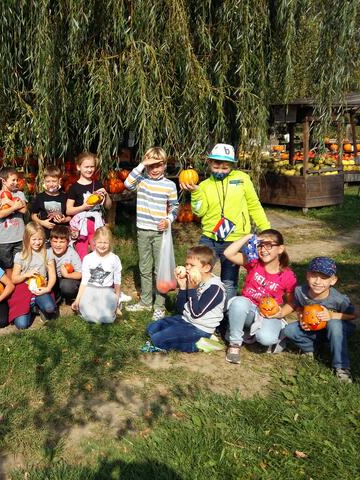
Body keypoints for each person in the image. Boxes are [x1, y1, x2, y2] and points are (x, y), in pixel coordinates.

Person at [180, 143, 270, 303]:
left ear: (232, 165)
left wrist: (267, 230)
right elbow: (199, 212)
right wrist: (195, 193)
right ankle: (195, 307)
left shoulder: (242, 179)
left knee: (228, 281)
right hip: (209, 238)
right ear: (209, 163)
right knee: (197, 274)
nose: (220, 171)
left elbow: (254, 205)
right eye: (216, 167)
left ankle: (225, 317)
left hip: (235, 240)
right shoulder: (204, 185)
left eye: (225, 168)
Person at [223, 229, 297, 364]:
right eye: (260, 245)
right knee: (239, 303)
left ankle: (246, 329)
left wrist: (280, 314)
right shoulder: (254, 262)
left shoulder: (287, 276)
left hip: (268, 314)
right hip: (249, 309)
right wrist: (248, 236)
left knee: (266, 339)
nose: (263, 249)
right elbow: (228, 253)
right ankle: (235, 344)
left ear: (280, 249)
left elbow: (292, 303)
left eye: (268, 245)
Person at [123, 147, 179, 319]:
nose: (154, 169)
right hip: (142, 231)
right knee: (145, 268)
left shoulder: (169, 185)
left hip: (159, 233)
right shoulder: (141, 181)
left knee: (159, 270)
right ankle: (146, 302)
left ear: (164, 165)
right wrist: (141, 164)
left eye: (158, 165)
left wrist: (168, 220)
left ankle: (159, 305)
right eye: (151, 165)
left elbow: (175, 207)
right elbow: (127, 183)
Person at [283, 257, 357, 383]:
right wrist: (302, 318)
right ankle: (312, 348)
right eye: (314, 276)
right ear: (307, 275)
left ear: (333, 281)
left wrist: (333, 315)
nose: (317, 281)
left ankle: (341, 367)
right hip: (315, 329)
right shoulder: (300, 292)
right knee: (289, 330)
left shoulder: (338, 299)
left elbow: (354, 314)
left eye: (324, 278)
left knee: (334, 325)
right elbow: (299, 307)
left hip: (338, 330)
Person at [143, 246, 225, 353]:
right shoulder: (194, 280)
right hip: (185, 319)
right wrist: (182, 287)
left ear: (206, 268)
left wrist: (191, 288)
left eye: (192, 265)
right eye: (187, 264)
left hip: (200, 328)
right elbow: (180, 309)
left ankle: (200, 344)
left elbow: (196, 313)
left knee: (158, 340)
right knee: (151, 329)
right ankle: (183, 336)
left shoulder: (215, 289)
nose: (187, 268)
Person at [8, 222, 58, 329]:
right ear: (27, 239)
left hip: (41, 287)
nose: (37, 242)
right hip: (24, 287)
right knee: (22, 325)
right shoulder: (20, 256)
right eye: (34, 239)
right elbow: (14, 279)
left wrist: (48, 289)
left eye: (40, 239)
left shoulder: (48, 253)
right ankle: (30, 307)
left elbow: (52, 275)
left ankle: (38, 306)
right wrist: (27, 274)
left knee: (50, 308)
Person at [72, 225, 122, 324]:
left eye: (105, 243)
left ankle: (116, 307)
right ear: (94, 242)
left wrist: (117, 301)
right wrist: (77, 300)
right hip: (90, 290)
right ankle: (87, 306)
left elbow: (117, 282)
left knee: (105, 318)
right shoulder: (88, 258)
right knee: (90, 317)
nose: (102, 245)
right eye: (99, 242)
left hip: (107, 291)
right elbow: (84, 281)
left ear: (110, 243)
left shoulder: (114, 259)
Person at [66, 152, 111, 259]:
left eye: (92, 167)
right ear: (78, 167)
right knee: (82, 254)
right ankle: (83, 274)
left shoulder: (98, 184)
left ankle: (99, 272)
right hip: (81, 226)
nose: (89, 170)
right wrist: (84, 207)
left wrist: (106, 194)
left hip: (96, 224)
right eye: (86, 167)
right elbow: (68, 210)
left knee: (99, 251)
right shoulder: (74, 188)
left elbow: (108, 206)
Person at [0, 167, 27, 277]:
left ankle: (18, 287)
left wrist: (9, 202)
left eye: (17, 180)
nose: (16, 182)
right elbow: (0, 214)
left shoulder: (19, 194)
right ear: (4, 181)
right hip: (5, 239)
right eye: (13, 180)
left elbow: (24, 210)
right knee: (7, 265)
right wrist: (15, 207)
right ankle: (10, 286)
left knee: (19, 264)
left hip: (20, 237)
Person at [30, 165, 71, 239]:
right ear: (44, 181)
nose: (51, 184)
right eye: (48, 181)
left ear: (59, 180)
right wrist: (42, 222)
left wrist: (64, 220)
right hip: (45, 235)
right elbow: (33, 215)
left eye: (54, 181)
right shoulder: (40, 197)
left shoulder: (65, 197)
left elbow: (70, 216)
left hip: (62, 235)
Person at [46, 225, 82, 304]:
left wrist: (66, 275)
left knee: (66, 286)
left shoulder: (71, 253)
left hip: (66, 280)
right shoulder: (47, 252)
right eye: (55, 241)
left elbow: (80, 273)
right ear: (50, 241)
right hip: (52, 280)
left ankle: (67, 296)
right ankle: (55, 297)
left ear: (68, 242)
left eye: (62, 242)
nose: (58, 245)